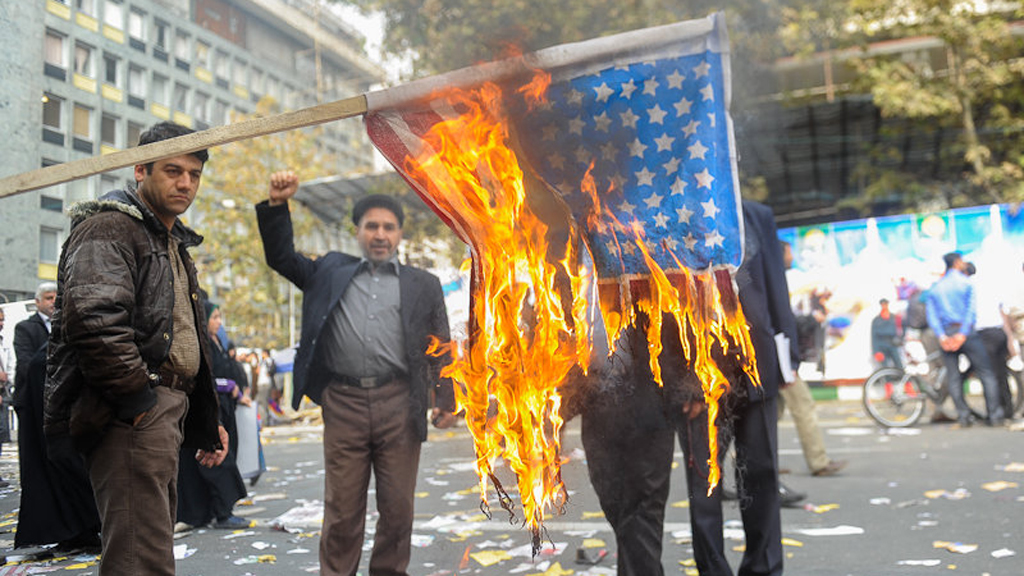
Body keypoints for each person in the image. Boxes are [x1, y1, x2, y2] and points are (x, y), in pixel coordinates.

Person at [44, 121, 228, 576]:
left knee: (150, 548)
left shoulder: (166, 237)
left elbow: (185, 337)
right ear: (140, 169)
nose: (185, 182)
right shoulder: (111, 226)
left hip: (160, 409)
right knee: (137, 560)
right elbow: (94, 319)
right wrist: (138, 402)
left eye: (194, 174)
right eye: (173, 170)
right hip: (132, 414)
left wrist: (205, 418)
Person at [256, 170, 457, 576]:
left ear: (399, 234)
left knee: (398, 510)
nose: (380, 234)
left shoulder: (424, 283)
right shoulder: (329, 270)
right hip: (343, 404)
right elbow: (281, 258)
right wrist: (278, 206)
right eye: (371, 226)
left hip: (400, 405)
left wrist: (446, 399)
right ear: (358, 232)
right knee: (343, 510)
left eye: (388, 227)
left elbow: (442, 343)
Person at [581, 200, 797, 576]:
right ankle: (713, 569)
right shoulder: (673, 209)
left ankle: (764, 567)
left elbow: (776, 285)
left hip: (757, 364)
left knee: (762, 472)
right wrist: (687, 378)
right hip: (699, 376)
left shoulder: (756, 214)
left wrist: (787, 349)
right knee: (705, 485)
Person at [14, 342, 101, 552]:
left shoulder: (51, 351)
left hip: (53, 409)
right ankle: (81, 530)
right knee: (67, 468)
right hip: (54, 410)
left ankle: (81, 531)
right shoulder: (48, 354)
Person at [176, 302, 249, 531]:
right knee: (212, 457)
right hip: (206, 406)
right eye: (214, 317)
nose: (218, 322)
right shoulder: (201, 343)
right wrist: (230, 387)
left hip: (222, 407)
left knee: (222, 453)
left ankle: (216, 511)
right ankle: (220, 512)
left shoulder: (218, 343)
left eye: (219, 317)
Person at [924, 251, 1005, 427]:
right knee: (986, 373)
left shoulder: (936, 287)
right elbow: (971, 311)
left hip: (946, 334)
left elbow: (932, 316)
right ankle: (995, 415)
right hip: (966, 332)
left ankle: (964, 416)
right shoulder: (965, 283)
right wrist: (962, 333)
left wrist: (943, 336)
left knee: (953, 377)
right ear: (957, 262)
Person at [0, 308, 16, 489]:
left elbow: (11, 365)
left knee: (2, 434)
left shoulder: (4, 342)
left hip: (3, 393)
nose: (1, 324)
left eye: (3, 320)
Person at [871, 298, 903, 368]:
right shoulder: (876, 320)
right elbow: (874, 337)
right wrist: (876, 351)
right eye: (883, 304)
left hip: (893, 344)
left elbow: (900, 330)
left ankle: (902, 377)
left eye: (886, 304)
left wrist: (900, 340)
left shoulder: (894, 317)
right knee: (884, 367)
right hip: (882, 345)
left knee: (899, 364)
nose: (884, 306)